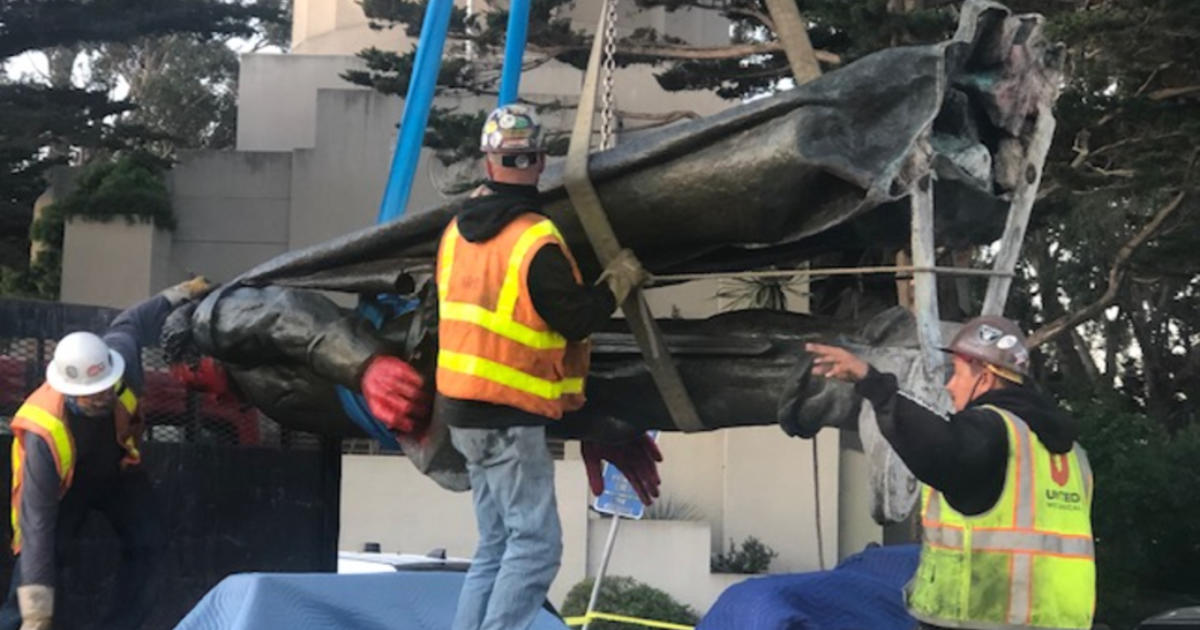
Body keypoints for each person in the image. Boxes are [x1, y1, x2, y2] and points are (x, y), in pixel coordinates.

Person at [436, 103, 658, 630]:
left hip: (461, 414)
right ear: (538, 163)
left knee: (495, 545)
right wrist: (617, 282)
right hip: (508, 419)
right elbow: (575, 318)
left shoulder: (454, 234)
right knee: (535, 549)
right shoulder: (533, 239)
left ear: (488, 163)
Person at [806, 316, 1095, 630]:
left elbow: (937, 446)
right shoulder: (1072, 456)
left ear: (985, 378)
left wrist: (871, 382)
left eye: (956, 373)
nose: (949, 386)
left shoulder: (991, 431)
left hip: (984, 620)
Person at [0, 278, 211, 630]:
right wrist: (37, 616)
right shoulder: (43, 432)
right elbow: (37, 527)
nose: (102, 397)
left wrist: (177, 295)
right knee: (41, 561)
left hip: (116, 472)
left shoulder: (121, 359)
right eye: (91, 393)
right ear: (68, 390)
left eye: (104, 387)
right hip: (62, 492)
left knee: (151, 543)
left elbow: (132, 321)